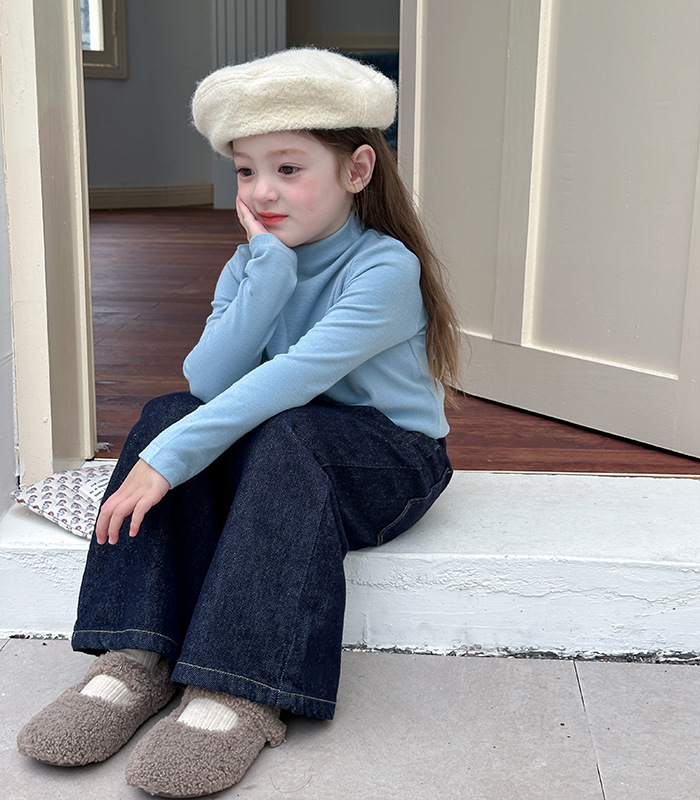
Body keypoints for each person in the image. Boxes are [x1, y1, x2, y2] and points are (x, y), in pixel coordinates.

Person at [16, 48, 459, 797]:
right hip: (282, 451)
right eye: (246, 171)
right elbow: (208, 381)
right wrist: (269, 270)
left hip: (386, 460)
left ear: (357, 170)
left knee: (271, 430)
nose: (262, 191)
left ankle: (237, 689)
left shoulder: (385, 269)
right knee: (167, 411)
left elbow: (294, 379)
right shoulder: (252, 263)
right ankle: (135, 658)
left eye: (288, 168)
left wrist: (167, 461)